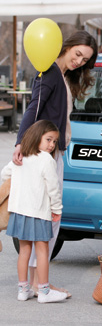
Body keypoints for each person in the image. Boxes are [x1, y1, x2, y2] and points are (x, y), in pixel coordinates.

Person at [12, 30, 98, 297]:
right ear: (67, 46)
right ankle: (40, 285)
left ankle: (38, 283)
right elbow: (33, 108)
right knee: (48, 219)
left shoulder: (59, 75)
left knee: (48, 220)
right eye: (78, 54)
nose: (79, 62)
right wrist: (19, 142)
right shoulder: (49, 73)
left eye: (85, 60)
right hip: (45, 155)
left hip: (52, 153)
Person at [2, 120, 67, 303]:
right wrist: (57, 209)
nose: (52, 145)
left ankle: (23, 290)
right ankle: (44, 291)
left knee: (24, 251)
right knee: (42, 251)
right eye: (49, 139)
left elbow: (4, 175)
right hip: (39, 213)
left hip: (19, 212)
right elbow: (53, 189)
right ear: (36, 136)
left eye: (54, 141)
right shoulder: (47, 159)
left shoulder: (21, 157)